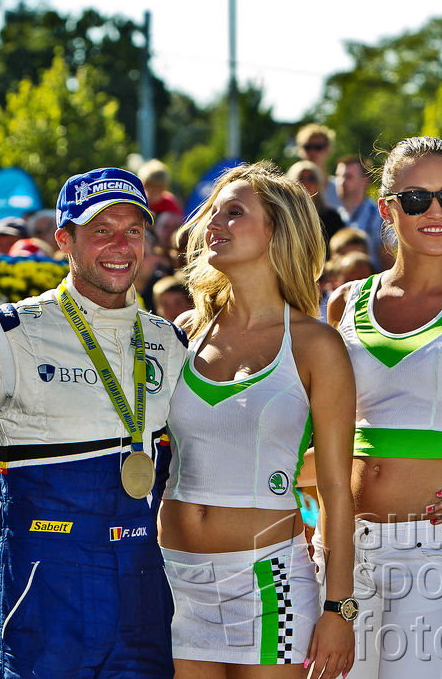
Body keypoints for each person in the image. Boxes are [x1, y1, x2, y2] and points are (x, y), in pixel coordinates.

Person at [0, 167, 188, 678]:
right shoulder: (11, 332)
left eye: (133, 230)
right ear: (64, 239)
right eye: (101, 230)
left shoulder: (168, 342)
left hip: (140, 575)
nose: (120, 246)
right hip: (47, 580)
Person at [326, 136, 442, 677]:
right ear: (386, 208)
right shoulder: (345, 303)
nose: (436, 212)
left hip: (435, 556)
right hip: (341, 551)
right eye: (416, 199)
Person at [160, 162, 355, 677]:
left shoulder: (316, 344)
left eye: (235, 212)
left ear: (276, 231)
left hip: (269, 584)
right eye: (213, 212)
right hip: (174, 582)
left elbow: (336, 489)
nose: (213, 222)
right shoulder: (184, 331)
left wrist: (340, 608)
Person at [335, 155, 392, 270]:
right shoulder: (334, 215)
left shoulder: (379, 215)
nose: (341, 182)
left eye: (348, 177)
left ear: (364, 181)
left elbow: (388, 259)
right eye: (338, 176)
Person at [287, 160, 344, 249]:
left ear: (319, 183)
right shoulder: (284, 216)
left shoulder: (332, 218)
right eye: (300, 178)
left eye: (311, 179)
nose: (305, 183)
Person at [296, 123, 341, 209]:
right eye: (307, 147)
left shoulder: (340, 188)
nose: (312, 152)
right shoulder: (290, 188)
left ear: (328, 150)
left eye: (318, 147)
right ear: (300, 150)